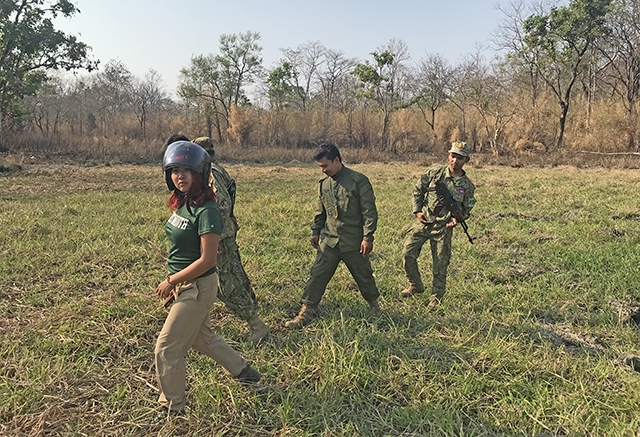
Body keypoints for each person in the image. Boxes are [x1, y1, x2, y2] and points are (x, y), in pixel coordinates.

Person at [154, 140, 260, 416]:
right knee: (202, 338)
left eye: (187, 171)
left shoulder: (208, 210)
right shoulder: (184, 203)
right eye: (175, 170)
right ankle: (244, 371)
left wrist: (172, 281)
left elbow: (207, 260)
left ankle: (172, 406)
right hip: (184, 283)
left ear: (200, 173)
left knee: (167, 348)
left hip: (197, 286)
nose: (180, 176)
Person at [165, 135, 269, 345]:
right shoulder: (210, 171)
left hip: (217, 238)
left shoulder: (210, 174)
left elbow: (219, 206)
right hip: (217, 235)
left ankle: (256, 325)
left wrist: (210, 237)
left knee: (227, 283)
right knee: (235, 277)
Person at [285, 142, 381, 329]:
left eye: (325, 166)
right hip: (329, 240)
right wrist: (315, 231)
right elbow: (321, 211)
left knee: (364, 276)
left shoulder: (358, 181)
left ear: (337, 160)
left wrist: (368, 237)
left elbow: (370, 212)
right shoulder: (324, 184)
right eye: (320, 167)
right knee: (317, 275)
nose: (322, 170)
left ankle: (374, 306)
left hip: (353, 241)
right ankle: (306, 311)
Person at [400, 141, 476, 309]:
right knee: (407, 253)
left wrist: (458, 219)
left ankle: (436, 298)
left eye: (460, 158)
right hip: (424, 221)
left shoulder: (467, 186)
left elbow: (467, 208)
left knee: (440, 265)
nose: (455, 161)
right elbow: (418, 190)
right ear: (448, 155)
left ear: (467, 160)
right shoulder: (434, 173)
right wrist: (417, 211)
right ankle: (416, 285)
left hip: (443, 227)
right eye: (453, 156)